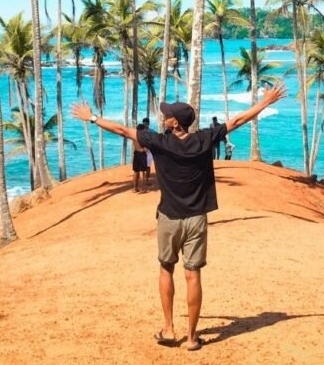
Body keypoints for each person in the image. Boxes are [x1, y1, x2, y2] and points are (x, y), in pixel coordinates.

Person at [71, 83, 286, 351]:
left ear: (175, 123)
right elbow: (237, 121)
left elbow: (122, 130)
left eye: (168, 114)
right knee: (193, 274)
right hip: (197, 218)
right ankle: (193, 337)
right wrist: (265, 102)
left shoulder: (158, 142)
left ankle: (169, 329)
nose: (164, 116)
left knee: (166, 268)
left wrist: (91, 117)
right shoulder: (204, 140)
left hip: (169, 218)